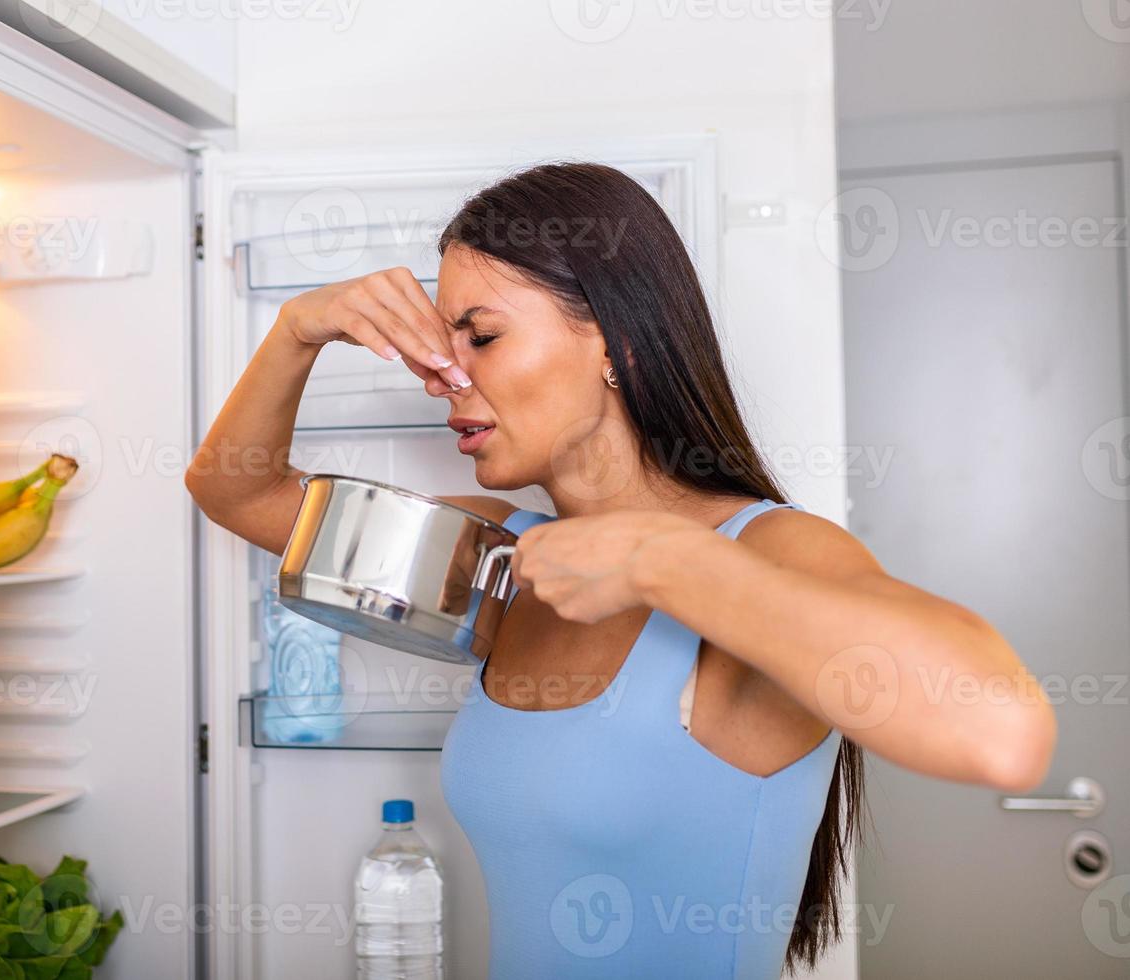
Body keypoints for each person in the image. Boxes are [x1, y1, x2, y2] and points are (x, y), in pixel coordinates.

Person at [183, 162, 1056, 977]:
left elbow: (1000, 730)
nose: (443, 377)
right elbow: (237, 493)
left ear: (616, 346)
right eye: (443, 347)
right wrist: (301, 328)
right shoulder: (506, 555)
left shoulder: (766, 550)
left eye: (480, 337)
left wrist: (662, 560)